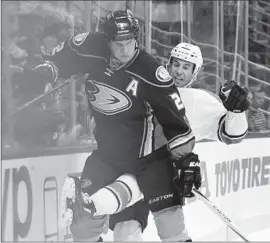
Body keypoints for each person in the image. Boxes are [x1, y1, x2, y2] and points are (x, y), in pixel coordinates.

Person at [36, 10, 201, 242]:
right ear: (107, 40)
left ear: (137, 39)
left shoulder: (153, 74)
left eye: (129, 42)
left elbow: (177, 122)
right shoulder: (92, 47)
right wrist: (47, 71)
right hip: (108, 155)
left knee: (171, 227)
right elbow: (62, 59)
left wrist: (186, 160)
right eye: (118, 43)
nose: (125, 49)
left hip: (149, 159)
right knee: (82, 227)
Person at [76, 42, 251, 241]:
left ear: (195, 72)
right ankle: (88, 205)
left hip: (162, 173)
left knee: (169, 229)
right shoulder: (145, 87)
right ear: (167, 65)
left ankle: (88, 204)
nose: (178, 71)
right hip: (132, 165)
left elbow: (232, 135)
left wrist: (237, 111)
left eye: (186, 67)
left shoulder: (200, 100)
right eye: (176, 64)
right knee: (125, 233)